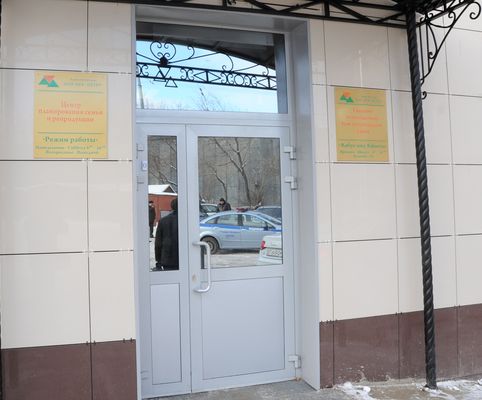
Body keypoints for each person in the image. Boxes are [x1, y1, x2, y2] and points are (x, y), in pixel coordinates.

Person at [155, 198, 179, 271]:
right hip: (183, 258)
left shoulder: (163, 220)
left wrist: (158, 260)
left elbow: (158, 242)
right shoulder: (186, 220)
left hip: (167, 258)